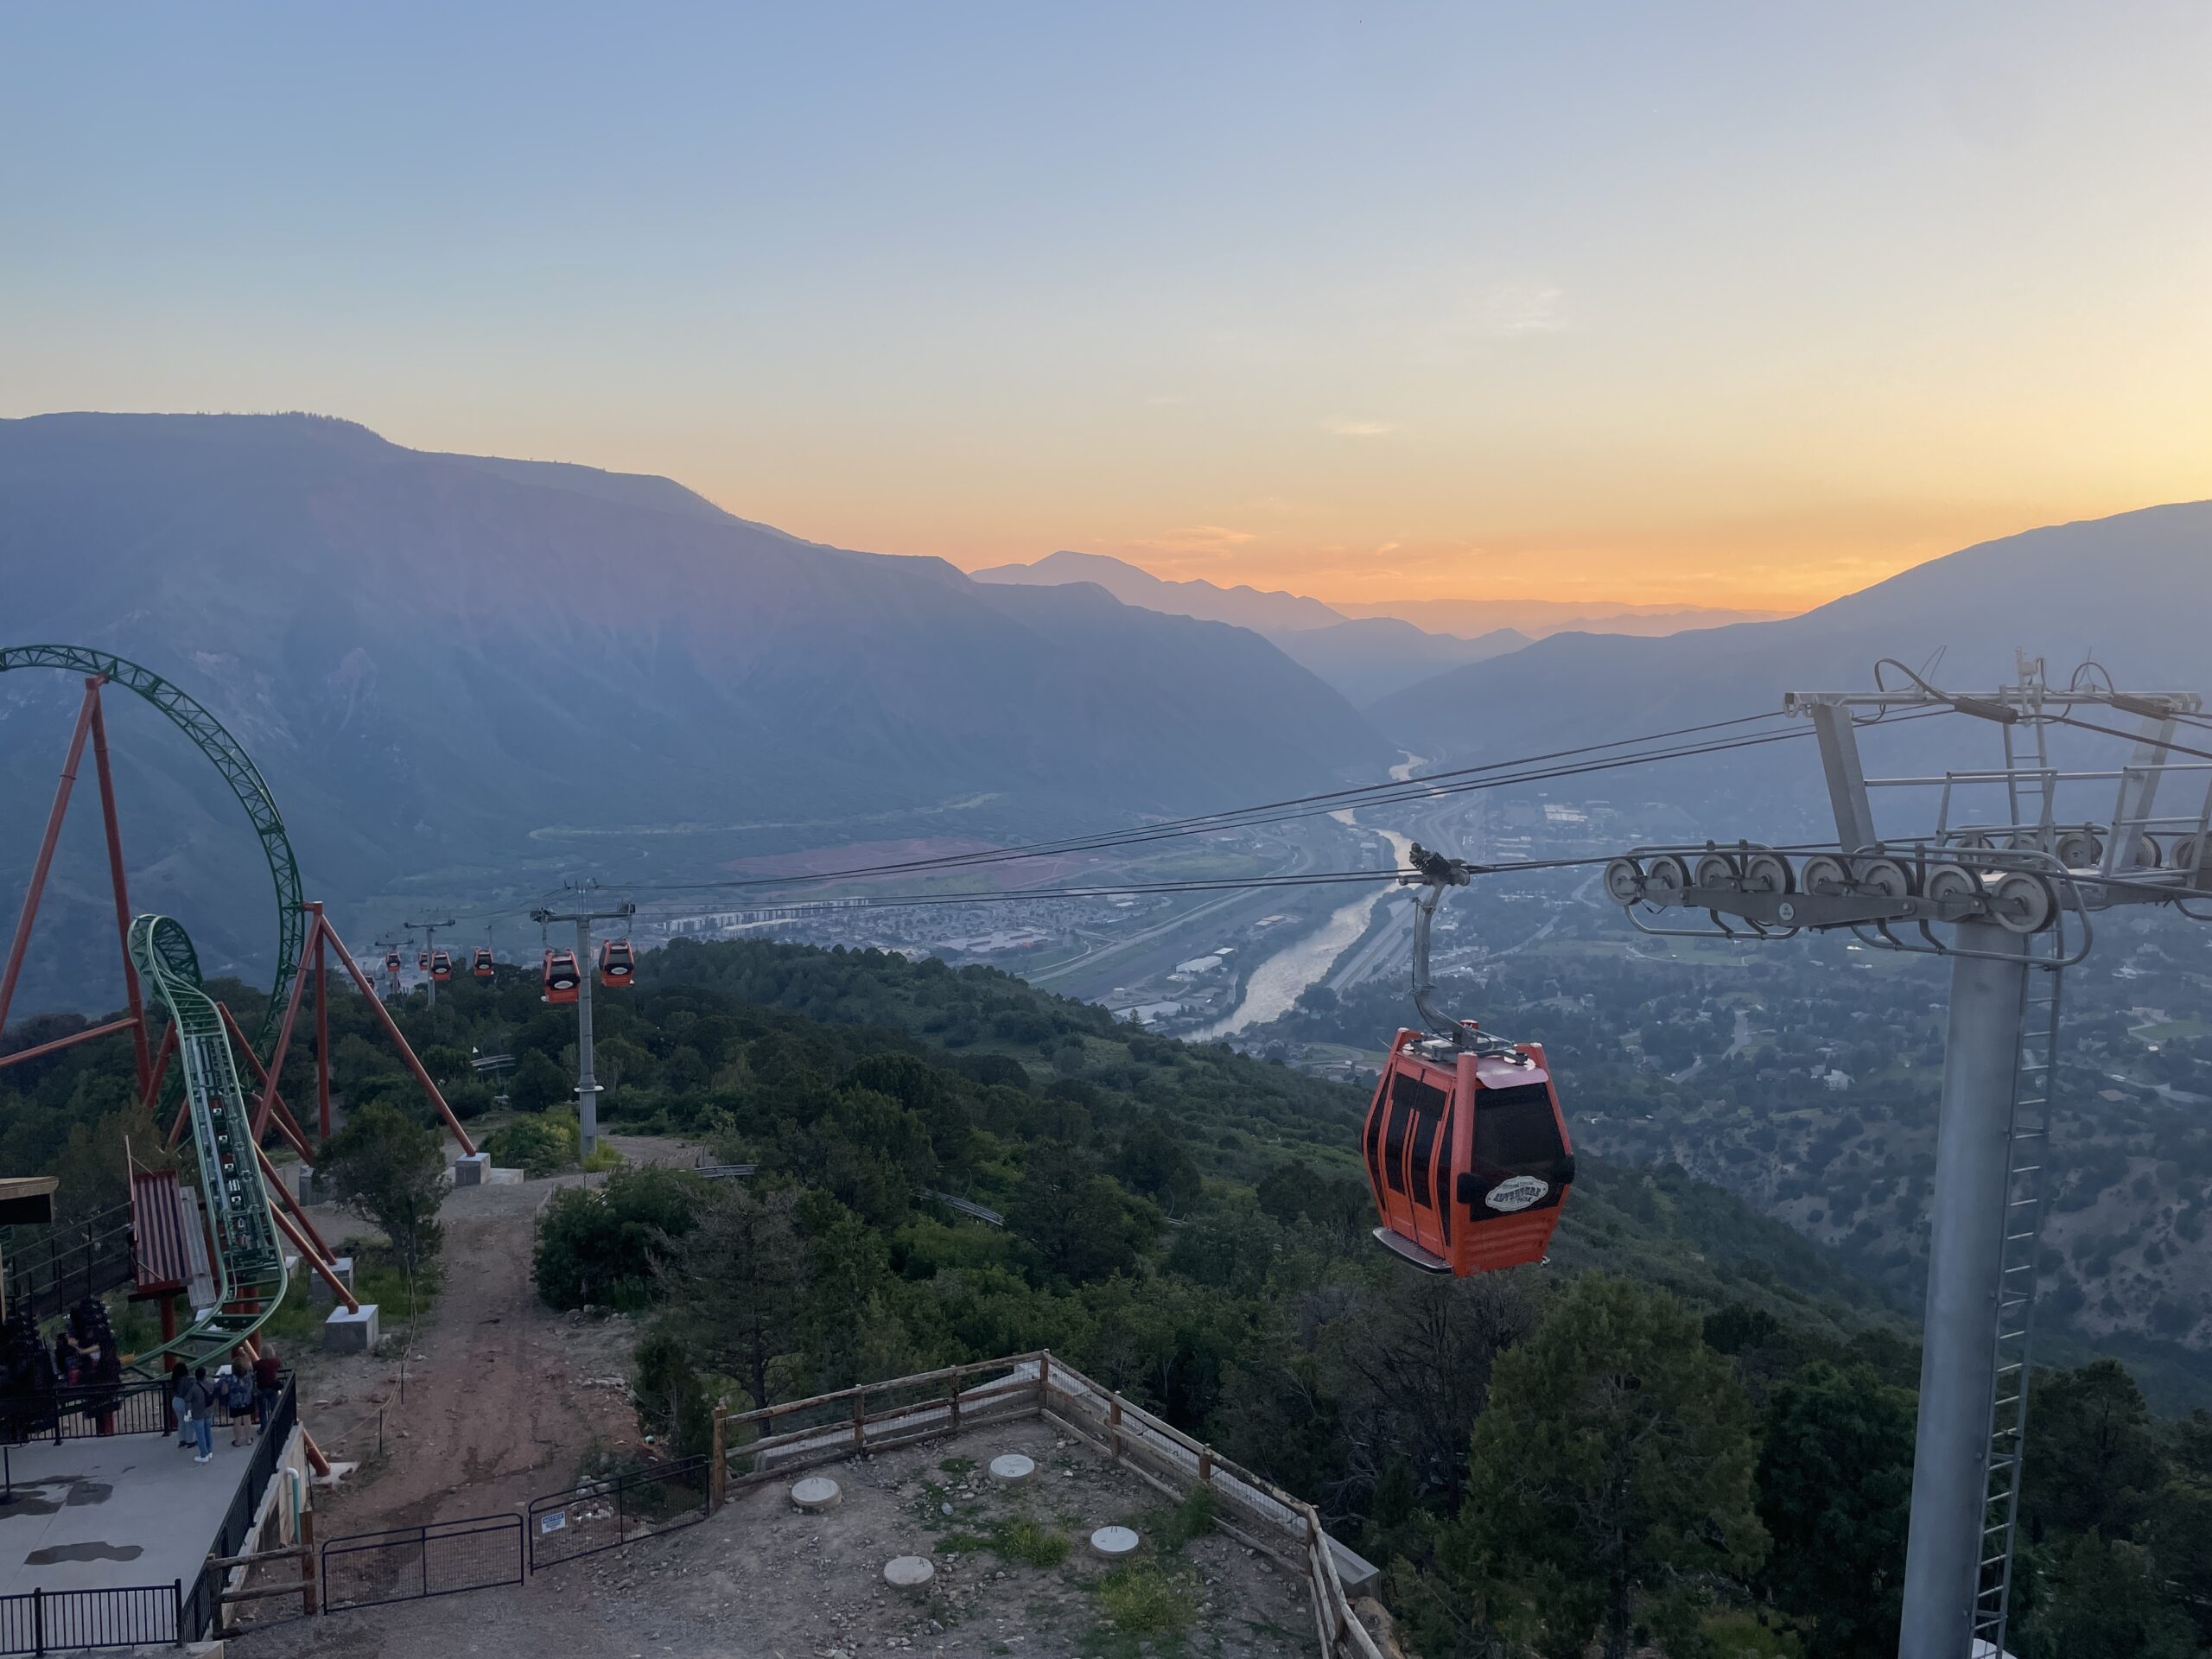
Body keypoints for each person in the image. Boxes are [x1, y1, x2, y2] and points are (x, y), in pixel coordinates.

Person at [181, 1366, 215, 1463]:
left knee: (200, 1435)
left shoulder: (194, 1388)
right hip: (208, 1411)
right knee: (208, 1432)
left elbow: (187, 1399)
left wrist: (188, 1411)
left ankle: (203, 1454)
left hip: (198, 1413)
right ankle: (209, 1451)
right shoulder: (210, 1383)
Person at [251, 1344, 283, 1433]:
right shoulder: (275, 1362)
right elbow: (279, 1364)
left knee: (262, 1410)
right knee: (274, 1409)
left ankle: (264, 1428)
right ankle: (276, 1427)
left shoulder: (258, 1364)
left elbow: (251, 1372)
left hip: (261, 1389)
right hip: (273, 1388)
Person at [224, 1363, 255, 1446]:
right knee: (247, 1421)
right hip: (247, 1401)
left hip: (234, 1403)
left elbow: (225, 1391)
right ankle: (248, 1439)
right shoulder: (248, 1375)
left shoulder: (229, 1379)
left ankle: (237, 1441)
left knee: (237, 1423)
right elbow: (250, 1365)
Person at [170, 1360, 193, 1446]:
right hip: (184, 1402)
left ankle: (182, 1440)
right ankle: (190, 1441)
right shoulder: (187, 1379)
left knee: (181, 1421)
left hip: (175, 1401)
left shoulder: (175, 1379)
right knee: (189, 1422)